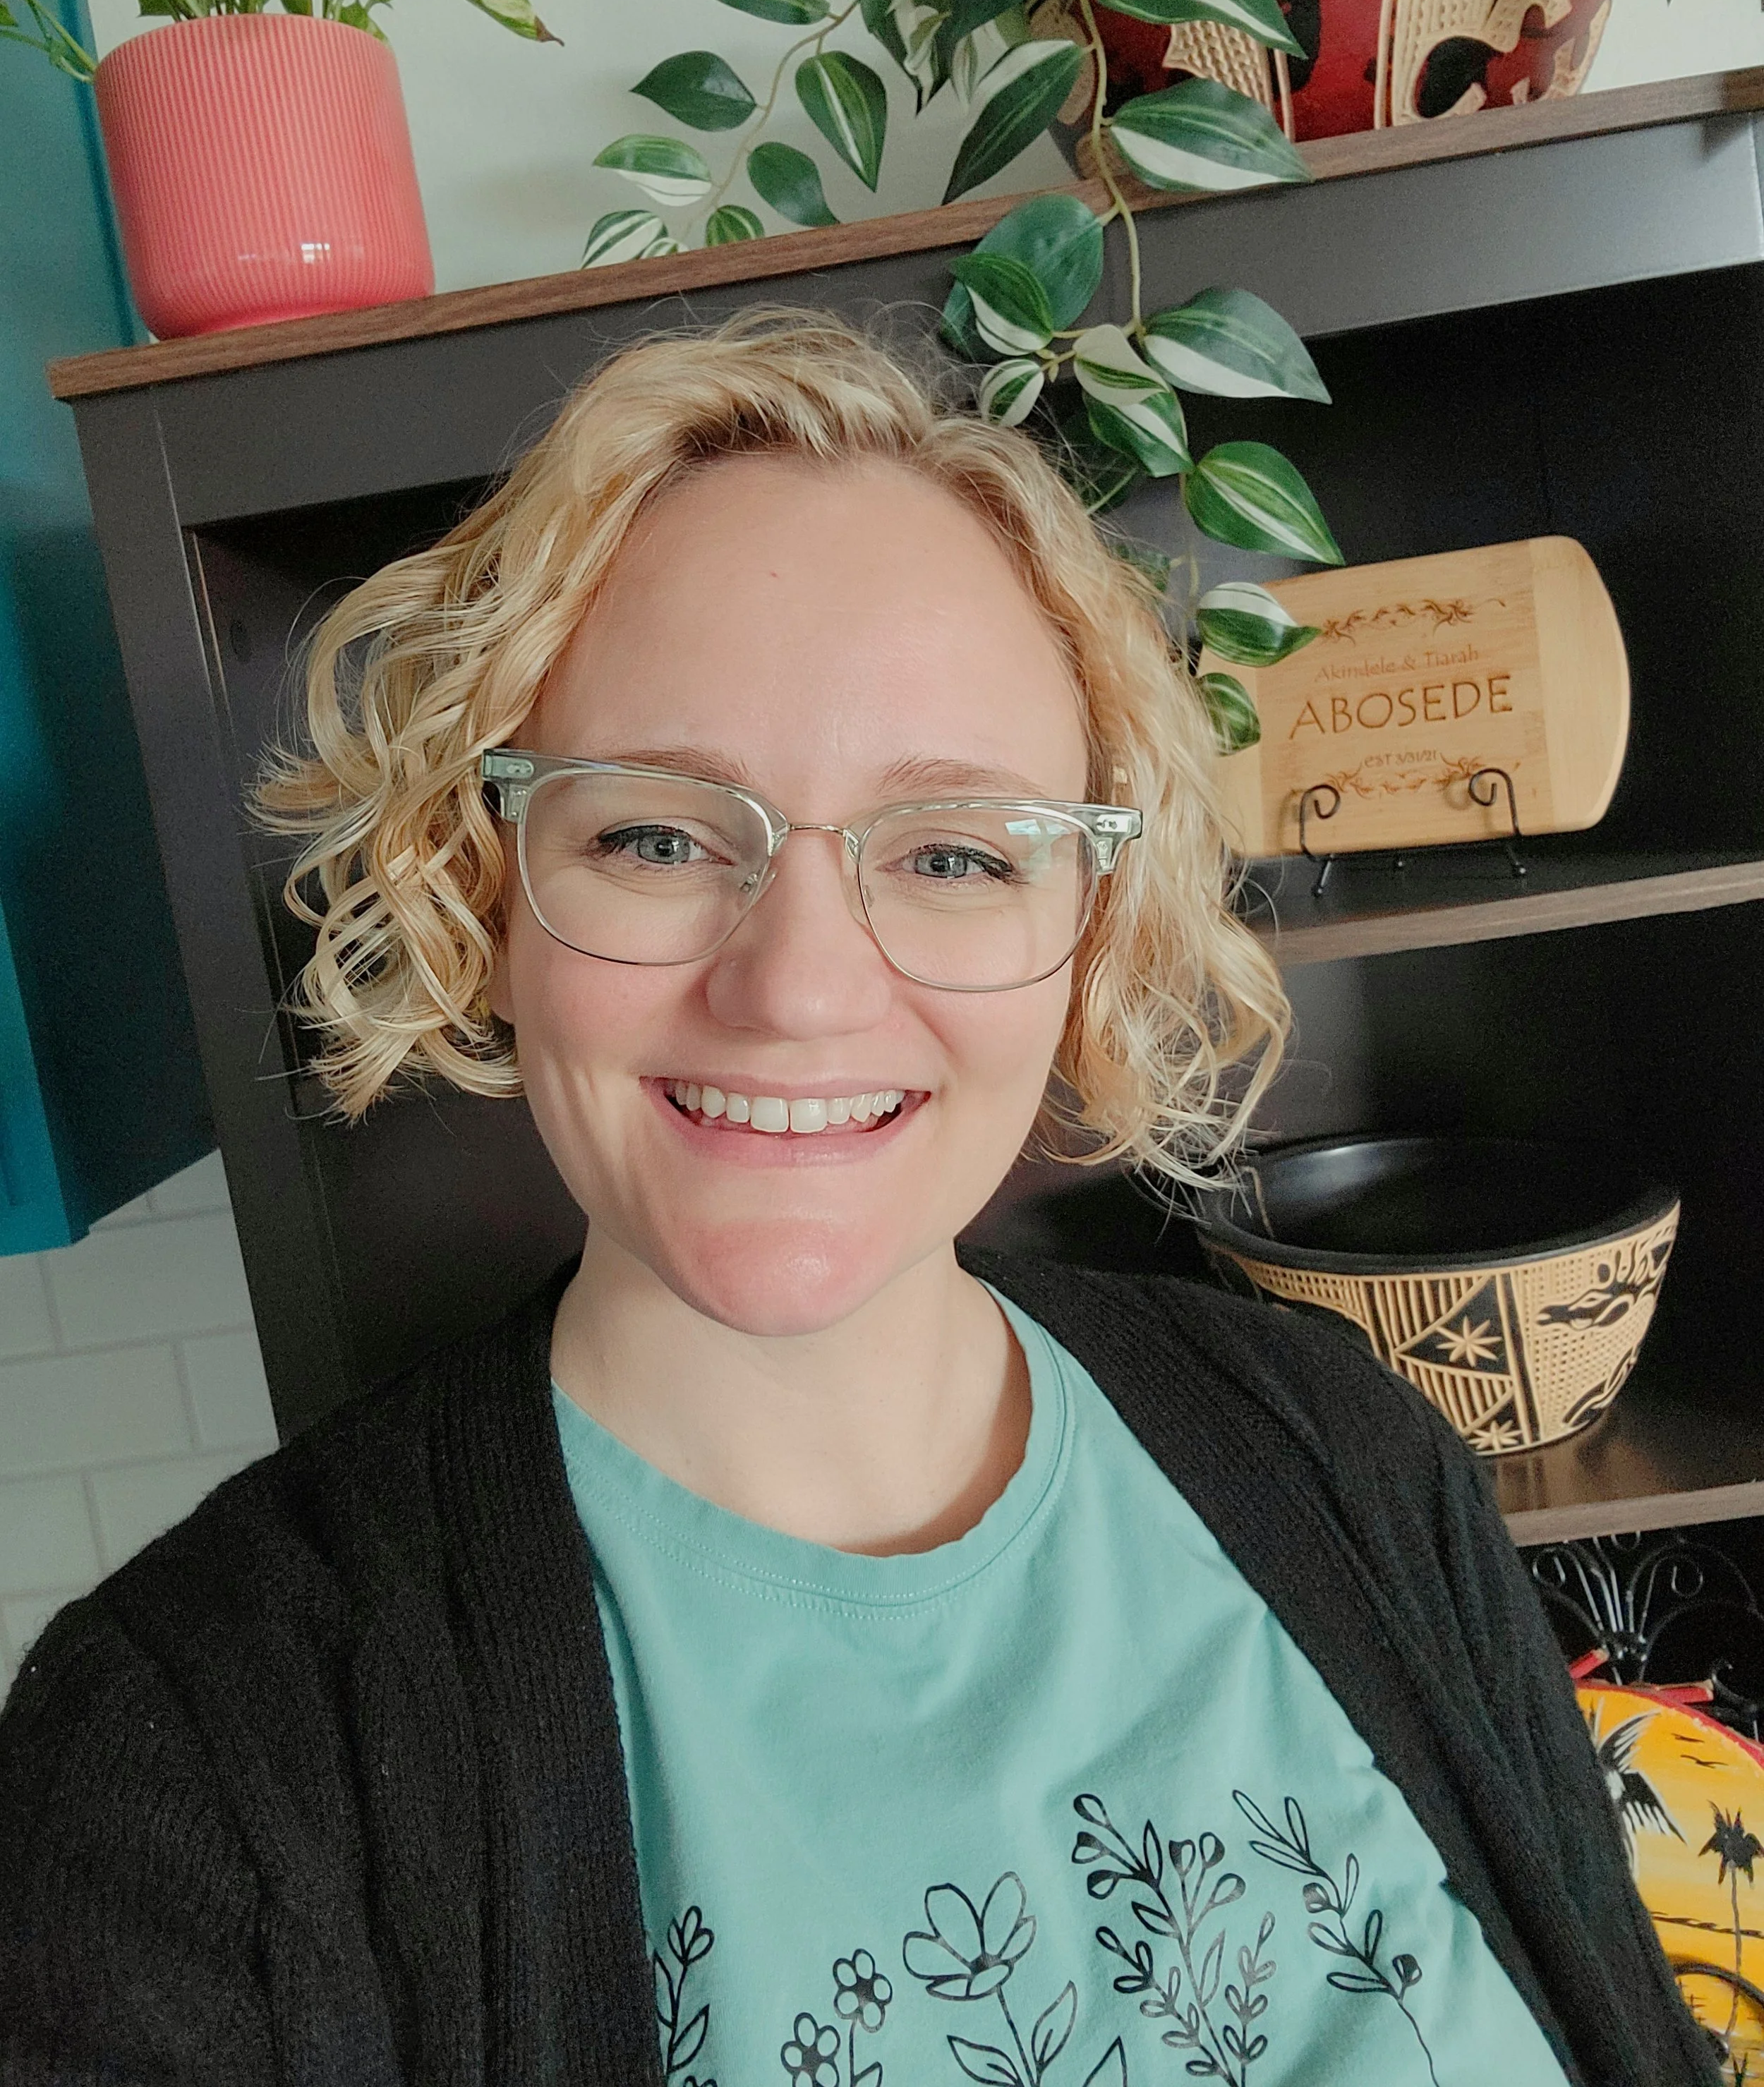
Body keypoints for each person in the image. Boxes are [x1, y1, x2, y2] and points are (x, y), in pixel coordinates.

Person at [0, 313, 1715, 2086]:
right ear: (481, 884)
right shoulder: (196, 1757)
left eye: (954, 851)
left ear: (1086, 928)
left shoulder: (1351, 1455)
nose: (799, 986)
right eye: (655, 833)